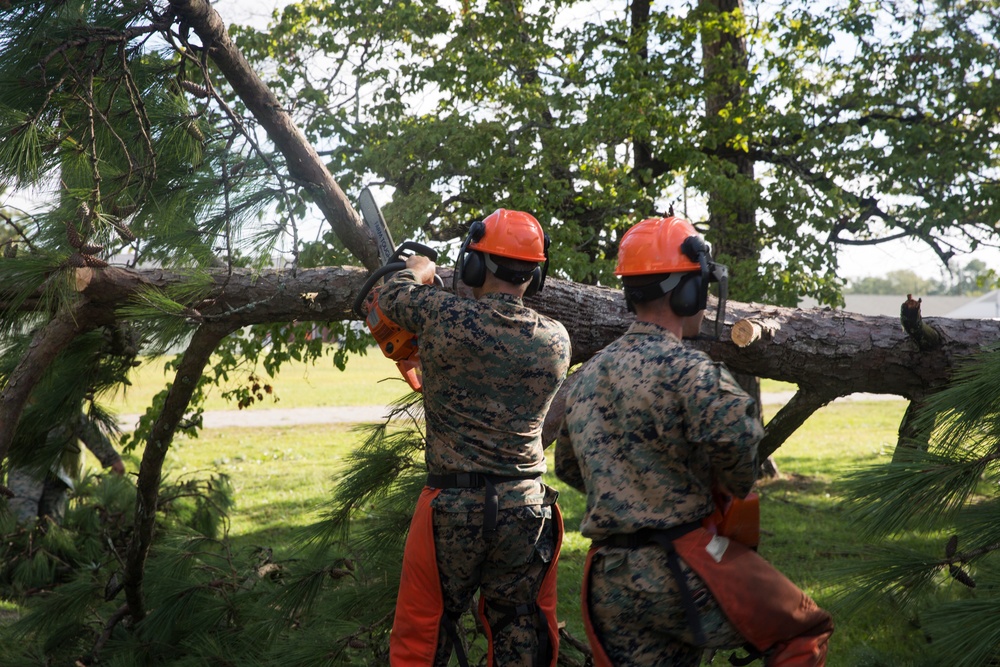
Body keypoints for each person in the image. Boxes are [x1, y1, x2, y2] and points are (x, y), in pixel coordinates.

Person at [555, 216, 833, 666]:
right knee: (805, 629)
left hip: (607, 575)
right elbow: (739, 459)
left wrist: (631, 490)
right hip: (680, 564)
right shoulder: (692, 372)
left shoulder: (587, 376)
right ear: (691, 291)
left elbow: (570, 466)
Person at [378, 208, 572, 667]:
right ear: (535, 276)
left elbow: (391, 295)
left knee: (424, 632)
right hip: (525, 508)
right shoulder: (557, 341)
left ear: (473, 266)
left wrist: (419, 269)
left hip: (451, 506)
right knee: (520, 630)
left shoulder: (442, 317)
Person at [6, 409, 125, 525]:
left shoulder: (55, 396)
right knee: (21, 528)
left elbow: (81, 423)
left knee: (54, 532)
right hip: (23, 478)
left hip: (54, 476)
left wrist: (111, 458)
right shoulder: (15, 397)